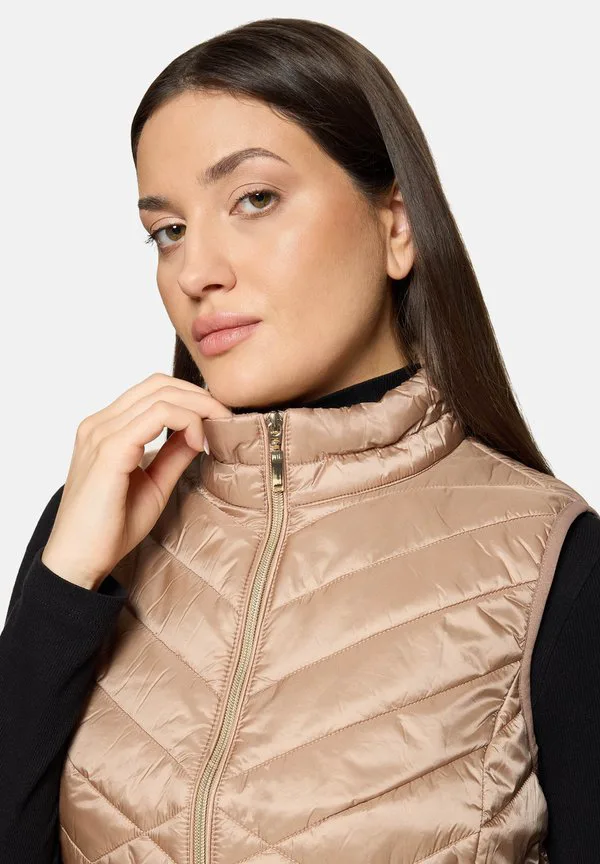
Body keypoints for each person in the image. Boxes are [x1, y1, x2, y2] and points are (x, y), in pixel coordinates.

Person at [1, 16, 599, 864]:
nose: (195, 271)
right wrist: (60, 587)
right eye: (168, 230)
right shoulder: (96, 530)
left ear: (397, 226)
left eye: (255, 199)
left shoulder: (551, 562)